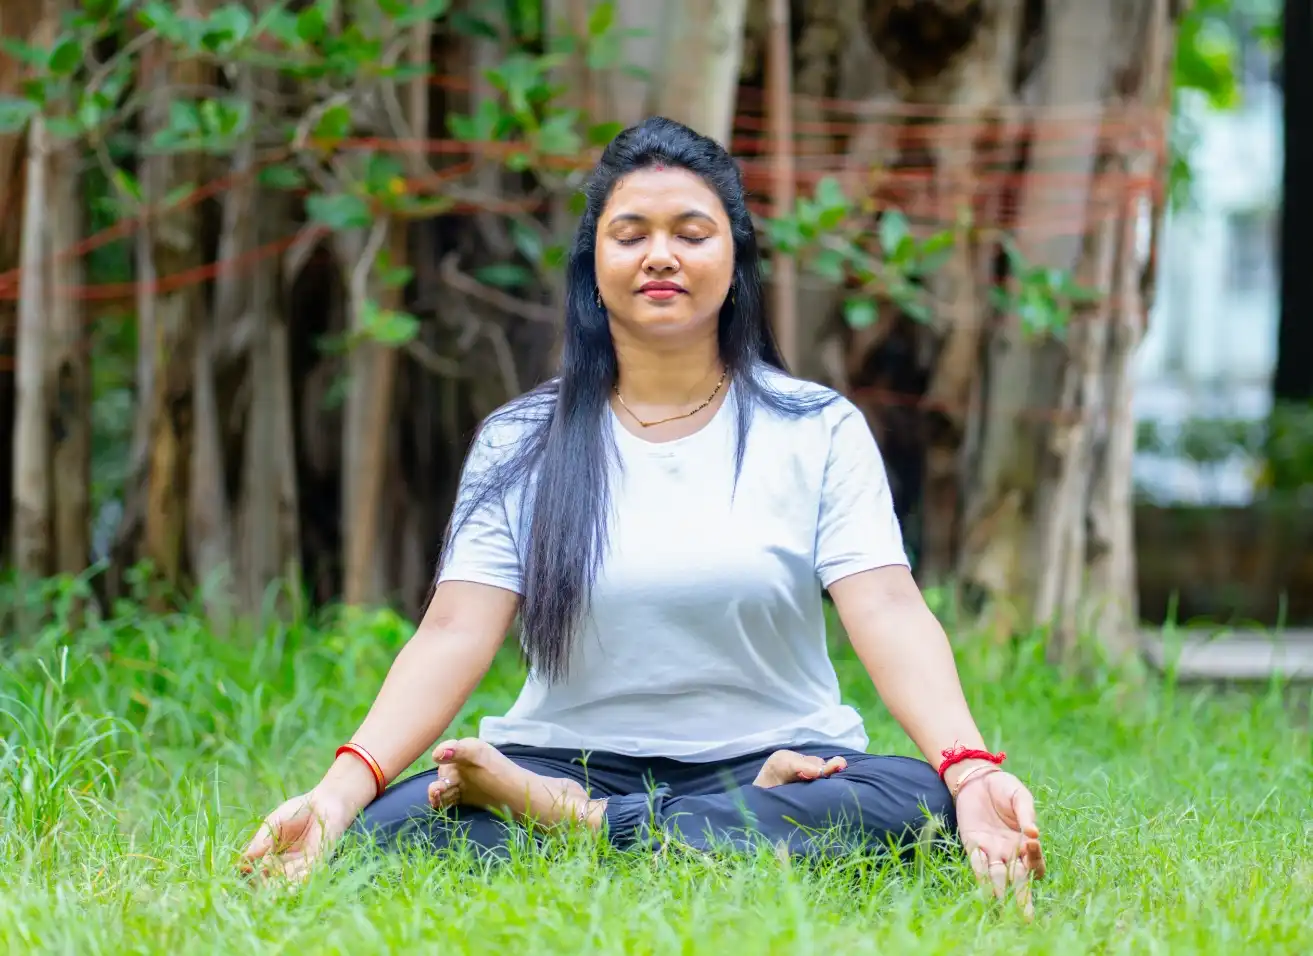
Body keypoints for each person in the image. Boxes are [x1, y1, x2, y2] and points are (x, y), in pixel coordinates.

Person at [241, 116, 1046, 912]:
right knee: (387, 831)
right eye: (630, 234)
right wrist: (335, 796)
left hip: (778, 765)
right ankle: (652, 825)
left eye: (690, 233)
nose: (660, 254)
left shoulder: (814, 427)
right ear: (594, 265)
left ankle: (579, 827)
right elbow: (452, 632)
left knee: (910, 803)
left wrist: (968, 769)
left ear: (735, 258)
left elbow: (886, 607)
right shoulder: (521, 439)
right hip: (557, 759)